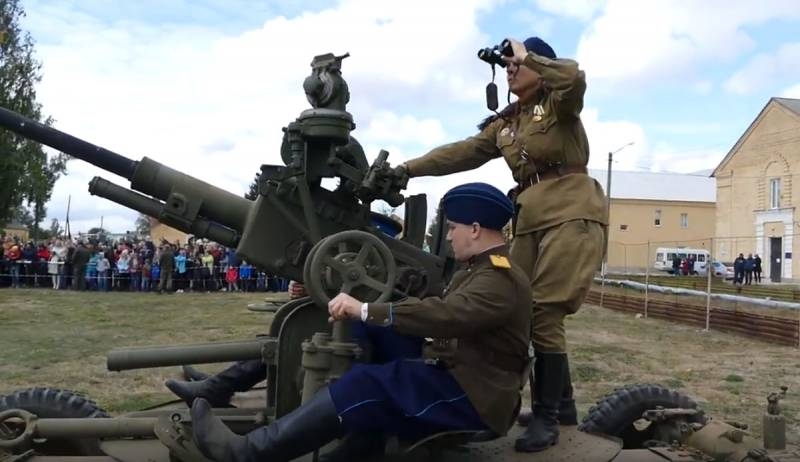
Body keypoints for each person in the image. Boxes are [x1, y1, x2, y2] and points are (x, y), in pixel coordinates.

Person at [188, 182, 532, 462]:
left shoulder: (497, 278)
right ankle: (364, 437)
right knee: (370, 330)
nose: (448, 237)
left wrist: (366, 308)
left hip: (476, 396)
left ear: (474, 229)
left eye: (453, 228)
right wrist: (369, 313)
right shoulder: (479, 270)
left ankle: (247, 452)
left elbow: (447, 316)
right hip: (463, 374)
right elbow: (437, 307)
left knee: (368, 382)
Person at [395, 36, 607, 451]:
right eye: (506, 64)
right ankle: (560, 406)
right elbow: (461, 153)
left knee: (544, 310)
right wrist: (408, 169)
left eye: (516, 63)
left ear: (536, 64)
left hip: (571, 211)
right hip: (528, 218)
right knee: (520, 306)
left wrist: (532, 57)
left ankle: (547, 416)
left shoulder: (558, 105)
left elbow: (574, 78)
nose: (509, 68)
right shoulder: (507, 124)